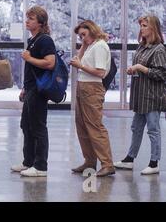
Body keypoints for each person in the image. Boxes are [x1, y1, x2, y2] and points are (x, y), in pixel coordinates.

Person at [114, 15, 166, 175]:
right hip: (140, 96)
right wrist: (133, 69)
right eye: (141, 25)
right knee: (136, 128)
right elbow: (141, 67)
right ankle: (130, 159)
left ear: (153, 28)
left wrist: (141, 68)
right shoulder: (142, 46)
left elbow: (162, 74)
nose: (142, 28)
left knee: (153, 129)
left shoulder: (159, 49)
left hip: (152, 97)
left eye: (145, 25)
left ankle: (154, 162)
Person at [11, 6, 55, 177]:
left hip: (39, 90)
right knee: (26, 126)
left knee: (38, 127)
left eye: (31, 18)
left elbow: (50, 63)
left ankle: (41, 166)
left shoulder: (45, 40)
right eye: (27, 18)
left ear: (41, 22)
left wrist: (29, 58)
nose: (27, 21)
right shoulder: (33, 40)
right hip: (30, 89)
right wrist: (24, 87)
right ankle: (28, 162)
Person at [70, 20, 115, 177]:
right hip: (83, 86)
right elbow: (78, 59)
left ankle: (107, 163)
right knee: (81, 126)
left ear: (92, 30)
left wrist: (80, 66)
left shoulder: (100, 46)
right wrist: (83, 44)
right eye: (80, 36)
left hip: (92, 88)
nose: (82, 38)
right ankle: (89, 161)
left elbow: (100, 72)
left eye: (84, 34)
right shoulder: (90, 45)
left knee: (94, 126)